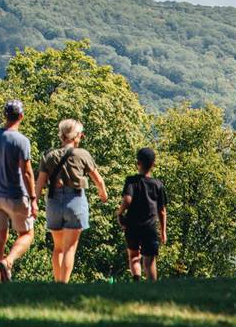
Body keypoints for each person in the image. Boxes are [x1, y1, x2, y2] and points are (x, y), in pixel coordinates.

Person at [33, 118, 109, 283]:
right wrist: (103, 193)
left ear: (61, 136)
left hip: (53, 202)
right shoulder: (82, 154)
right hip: (74, 200)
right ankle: (64, 285)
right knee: (70, 249)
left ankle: (56, 283)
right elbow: (98, 180)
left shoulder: (48, 155)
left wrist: (34, 202)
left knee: (58, 248)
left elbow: (39, 182)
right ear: (77, 137)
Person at [0, 99, 37, 282]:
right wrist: (34, 198)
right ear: (21, 116)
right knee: (27, 234)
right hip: (16, 195)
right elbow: (26, 172)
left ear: (4, 116)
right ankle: (9, 261)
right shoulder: (22, 141)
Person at [117, 146, 168, 281]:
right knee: (149, 260)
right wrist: (163, 231)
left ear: (137, 163)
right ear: (153, 164)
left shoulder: (132, 181)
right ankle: (152, 286)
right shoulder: (158, 185)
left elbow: (127, 199)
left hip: (132, 225)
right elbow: (162, 211)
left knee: (134, 255)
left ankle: (137, 280)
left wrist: (120, 212)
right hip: (150, 227)